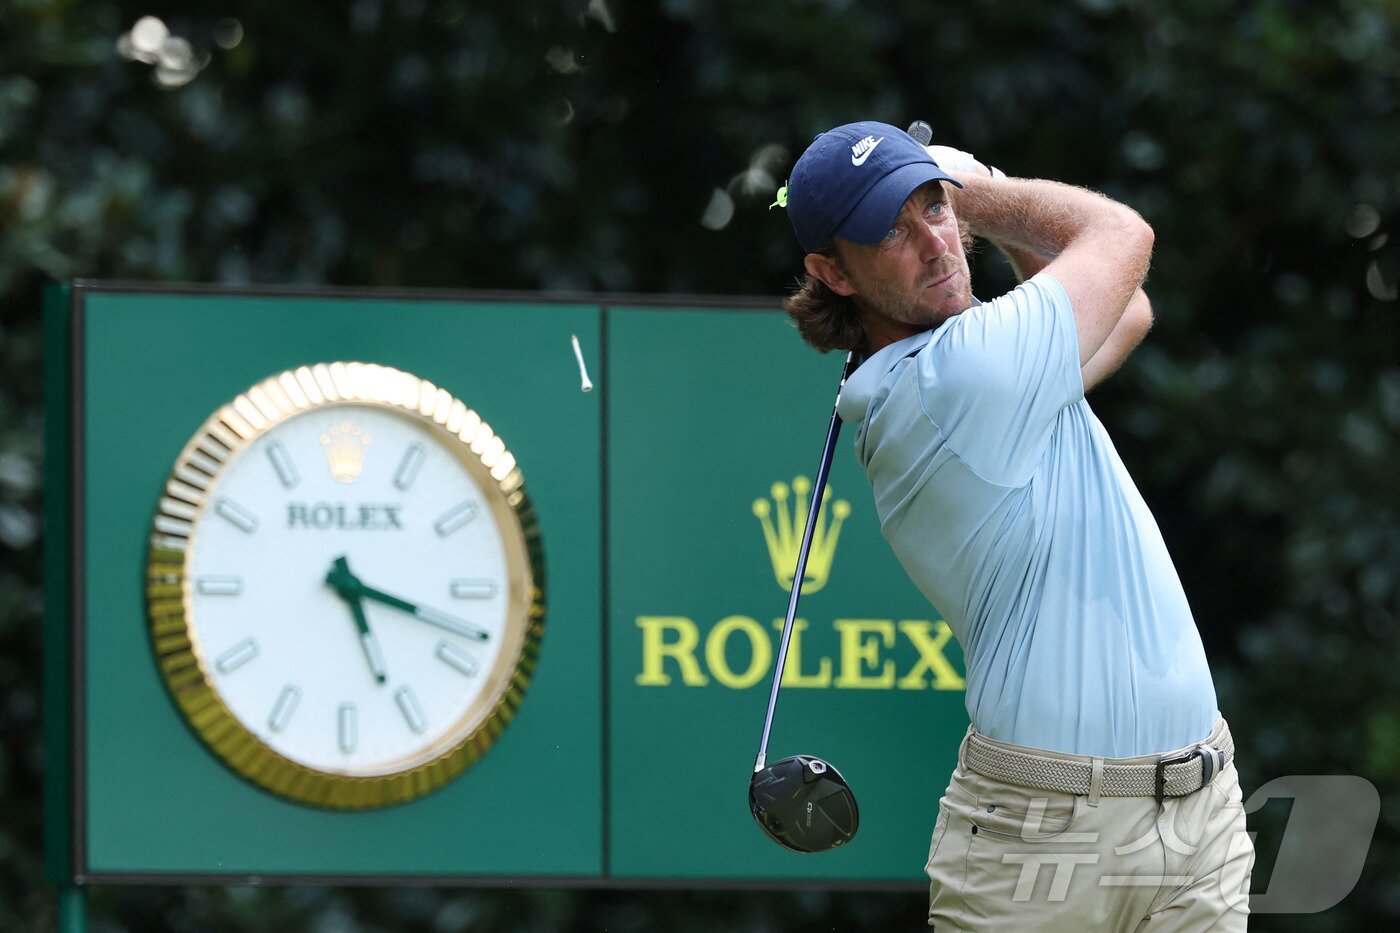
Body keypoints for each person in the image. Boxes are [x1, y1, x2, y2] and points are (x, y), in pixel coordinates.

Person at [779, 121, 1255, 930]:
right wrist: (979, 190)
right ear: (833, 273)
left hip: (1197, 818)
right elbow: (1122, 236)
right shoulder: (958, 378)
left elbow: (1125, 312)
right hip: (1044, 842)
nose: (934, 242)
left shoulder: (977, 367)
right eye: (890, 230)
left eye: (932, 208)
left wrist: (961, 198)